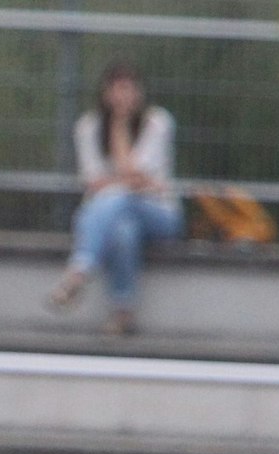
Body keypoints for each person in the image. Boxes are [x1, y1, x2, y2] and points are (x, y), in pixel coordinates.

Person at [47, 61, 180, 337]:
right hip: (114, 214)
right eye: (117, 90)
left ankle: (78, 271)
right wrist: (131, 182)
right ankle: (122, 313)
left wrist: (120, 127)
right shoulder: (88, 127)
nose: (124, 96)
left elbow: (133, 175)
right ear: (106, 94)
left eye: (129, 89)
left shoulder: (158, 123)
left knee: (118, 197)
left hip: (159, 213)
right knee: (122, 228)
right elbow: (94, 182)